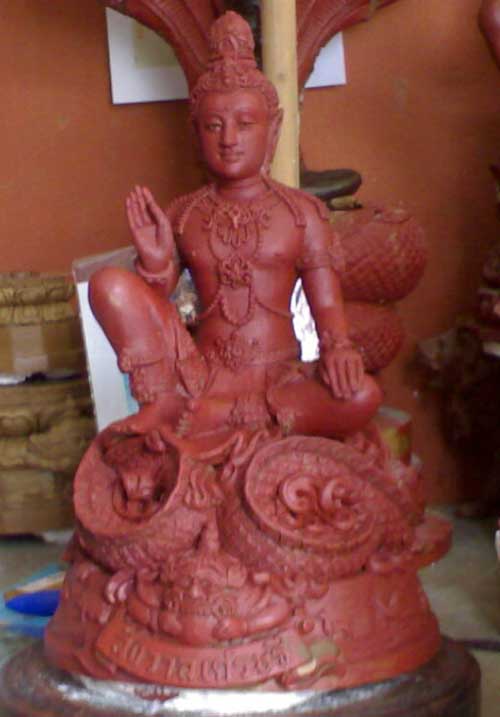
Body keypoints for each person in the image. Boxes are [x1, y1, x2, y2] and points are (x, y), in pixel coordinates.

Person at [89, 11, 381, 445]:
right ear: (196, 132)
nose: (229, 139)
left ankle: (216, 417)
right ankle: (173, 403)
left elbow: (326, 305)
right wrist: (155, 264)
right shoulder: (184, 213)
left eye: (245, 124)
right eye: (214, 126)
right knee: (108, 285)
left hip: (279, 377)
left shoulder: (302, 213)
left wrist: (338, 349)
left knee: (361, 395)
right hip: (203, 374)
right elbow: (157, 305)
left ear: (274, 129)